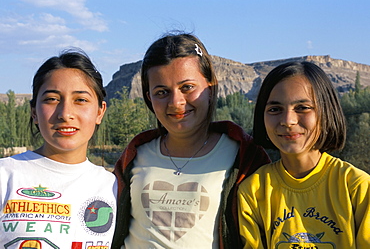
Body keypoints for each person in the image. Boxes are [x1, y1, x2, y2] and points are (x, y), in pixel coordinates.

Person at [112, 33, 270, 249]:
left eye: (187, 87)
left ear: (211, 88)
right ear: (149, 97)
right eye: (162, 92)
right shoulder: (135, 155)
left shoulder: (244, 157)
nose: (176, 102)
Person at [238, 61, 370, 248]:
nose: (287, 120)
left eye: (302, 107)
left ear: (326, 112)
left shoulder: (357, 188)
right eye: (275, 109)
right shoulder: (253, 191)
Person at [0, 50, 117, 248]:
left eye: (80, 100)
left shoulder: (113, 186)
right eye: (52, 99)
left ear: (100, 112)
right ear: (34, 112)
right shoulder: (5, 176)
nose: (65, 113)